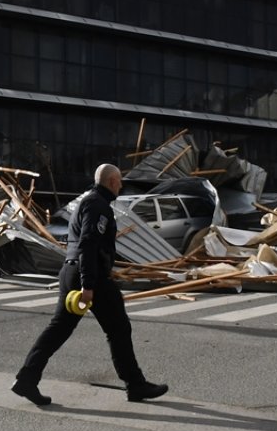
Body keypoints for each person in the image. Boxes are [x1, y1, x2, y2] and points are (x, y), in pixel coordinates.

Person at [11, 163, 168, 406]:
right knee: (119, 329)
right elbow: (88, 245)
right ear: (112, 182)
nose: (122, 185)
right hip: (89, 275)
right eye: (119, 181)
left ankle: (27, 379)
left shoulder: (89, 201)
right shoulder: (98, 206)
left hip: (71, 270)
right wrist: (88, 285)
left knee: (59, 330)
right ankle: (135, 385)